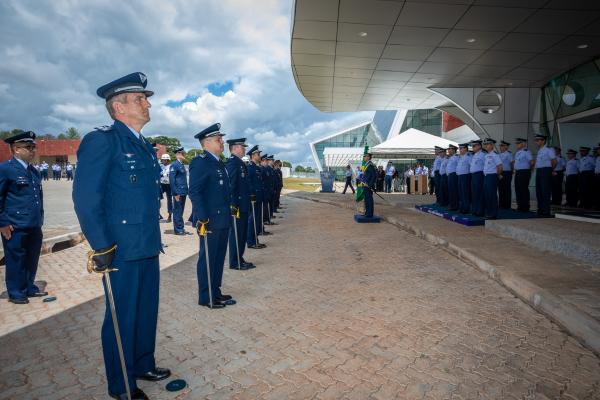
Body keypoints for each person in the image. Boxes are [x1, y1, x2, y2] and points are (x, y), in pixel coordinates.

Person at [73, 72, 170, 400]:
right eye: (140, 98)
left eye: (145, 98)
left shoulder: (142, 145)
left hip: (146, 244)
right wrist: (101, 247)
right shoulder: (103, 140)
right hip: (119, 249)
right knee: (122, 316)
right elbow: (86, 199)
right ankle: (122, 385)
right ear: (119, 107)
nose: (147, 103)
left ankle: (143, 363)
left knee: (145, 310)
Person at [189, 123, 237, 310]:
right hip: (209, 220)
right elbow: (195, 192)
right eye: (218, 139)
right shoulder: (200, 162)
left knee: (218, 258)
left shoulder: (219, 162)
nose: (222, 142)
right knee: (208, 258)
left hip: (222, 218)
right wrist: (202, 219)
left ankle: (215, 291)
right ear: (207, 142)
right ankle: (206, 296)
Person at [0, 131, 46, 305]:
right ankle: (16, 291)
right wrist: (2, 222)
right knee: (15, 259)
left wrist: (39, 219)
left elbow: (37, 198)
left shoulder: (33, 171)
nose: (33, 150)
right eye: (29, 147)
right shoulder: (5, 169)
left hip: (33, 223)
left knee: (32, 257)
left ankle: (28, 286)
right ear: (16, 149)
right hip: (14, 225)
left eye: (33, 147)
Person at [225, 137, 255, 270]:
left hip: (243, 205)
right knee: (237, 234)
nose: (244, 149)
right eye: (243, 147)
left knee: (242, 234)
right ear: (235, 147)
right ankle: (234, 261)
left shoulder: (239, 163)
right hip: (236, 206)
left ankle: (239, 257)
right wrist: (232, 205)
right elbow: (230, 186)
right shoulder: (232, 163)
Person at [246, 145, 266, 249]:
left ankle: (255, 239)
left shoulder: (256, 168)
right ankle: (251, 241)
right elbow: (248, 183)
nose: (260, 156)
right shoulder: (250, 168)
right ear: (253, 155)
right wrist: (252, 195)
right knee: (252, 220)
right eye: (258, 154)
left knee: (257, 220)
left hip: (258, 197)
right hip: (253, 198)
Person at [533, 134, 556, 216]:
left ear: (543, 141)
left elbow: (554, 161)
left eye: (538, 140)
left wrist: (552, 170)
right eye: (536, 140)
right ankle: (540, 209)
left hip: (546, 170)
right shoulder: (540, 150)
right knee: (539, 191)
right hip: (539, 171)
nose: (536, 142)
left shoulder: (549, 149)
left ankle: (546, 210)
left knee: (545, 191)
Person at [169, 147, 190, 235]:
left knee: (181, 211)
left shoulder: (181, 164)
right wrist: (175, 193)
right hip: (178, 192)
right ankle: (178, 229)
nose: (184, 154)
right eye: (182, 153)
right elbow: (172, 180)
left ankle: (181, 227)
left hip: (183, 191)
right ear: (178, 154)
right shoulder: (174, 165)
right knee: (177, 211)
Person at [482, 139, 503, 219]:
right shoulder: (486, 155)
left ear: (492, 145)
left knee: (492, 195)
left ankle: (493, 214)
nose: (486, 146)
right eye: (485, 144)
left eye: (488, 144)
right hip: (486, 176)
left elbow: (500, 167)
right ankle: (489, 212)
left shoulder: (495, 155)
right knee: (487, 195)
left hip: (492, 176)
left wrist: (496, 176)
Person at [513, 138, 533, 212]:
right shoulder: (518, 152)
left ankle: (525, 206)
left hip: (524, 172)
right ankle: (520, 206)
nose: (517, 145)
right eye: (516, 143)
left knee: (523, 189)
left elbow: (532, 162)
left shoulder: (526, 151)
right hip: (518, 172)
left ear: (523, 144)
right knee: (517, 189)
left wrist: (529, 170)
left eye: (518, 143)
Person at [469, 140, 485, 216]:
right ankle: (474, 210)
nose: (473, 147)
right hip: (473, 175)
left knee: (479, 193)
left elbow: (486, 166)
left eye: (474, 146)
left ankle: (480, 211)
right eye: (473, 146)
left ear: (479, 146)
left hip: (479, 175)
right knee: (474, 193)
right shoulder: (475, 155)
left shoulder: (483, 154)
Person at [456, 143, 471, 214]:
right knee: (460, 193)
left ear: (465, 149)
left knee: (465, 193)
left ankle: (466, 208)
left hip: (465, 176)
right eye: (459, 148)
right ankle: (462, 207)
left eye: (461, 148)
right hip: (460, 176)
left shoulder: (468, 157)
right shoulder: (461, 157)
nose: (460, 150)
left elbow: (471, 166)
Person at [360, 151, 376, 218]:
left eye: (365, 156)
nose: (364, 157)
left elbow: (374, 176)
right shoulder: (367, 164)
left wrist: (369, 184)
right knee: (366, 199)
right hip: (365, 184)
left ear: (368, 157)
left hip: (368, 185)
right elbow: (366, 175)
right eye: (364, 156)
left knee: (369, 199)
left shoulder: (370, 165)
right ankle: (367, 212)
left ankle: (369, 214)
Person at [498, 141, 513, 209]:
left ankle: (507, 205)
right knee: (500, 189)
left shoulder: (508, 154)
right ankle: (501, 204)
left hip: (507, 172)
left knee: (506, 189)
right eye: (500, 146)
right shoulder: (499, 155)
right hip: (500, 173)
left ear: (506, 147)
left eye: (502, 146)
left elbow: (512, 163)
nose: (500, 147)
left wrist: (511, 171)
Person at [159, 153, 173, 222]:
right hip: (162, 184)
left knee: (169, 200)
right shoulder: (161, 166)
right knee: (157, 197)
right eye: (162, 160)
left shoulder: (171, 167)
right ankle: (157, 214)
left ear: (168, 160)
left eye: (164, 160)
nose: (163, 161)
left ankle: (170, 215)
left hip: (169, 185)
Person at [446, 145, 459, 210]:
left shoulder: (456, 157)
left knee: (454, 191)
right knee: (450, 191)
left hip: (454, 175)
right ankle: (451, 205)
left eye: (450, 149)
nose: (448, 151)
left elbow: (458, 166)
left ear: (454, 150)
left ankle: (455, 206)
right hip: (450, 175)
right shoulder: (450, 157)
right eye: (448, 149)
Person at [595, 145, 600, 209]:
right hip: (597, 175)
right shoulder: (598, 158)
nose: (598, 150)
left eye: (599, 149)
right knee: (597, 191)